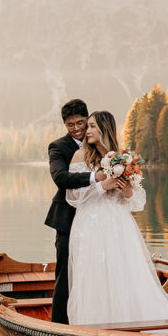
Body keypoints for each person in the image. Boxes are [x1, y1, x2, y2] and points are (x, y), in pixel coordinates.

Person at [65, 110, 168, 328]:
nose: (86, 131)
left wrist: (128, 191)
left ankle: (130, 324)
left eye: (92, 126)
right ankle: (95, 327)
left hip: (119, 226)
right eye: (87, 126)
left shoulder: (123, 159)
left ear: (105, 129)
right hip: (90, 226)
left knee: (124, 274)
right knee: (94, 276)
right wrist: (103, 186)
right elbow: (72, 197)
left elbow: (139, 201)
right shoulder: (80, 156)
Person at [45, 99, 107, 324]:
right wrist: (95, 177)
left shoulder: (99, 141)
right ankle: (59, 325)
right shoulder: (58, 147)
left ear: (87, 119)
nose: (77, 129)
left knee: (97, 270)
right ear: (65, 124)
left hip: (98, 219)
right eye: (70, 125)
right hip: (68, 220)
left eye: (81, 122)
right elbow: (60, 178)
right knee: (65, 273)